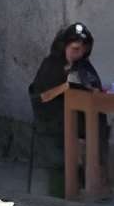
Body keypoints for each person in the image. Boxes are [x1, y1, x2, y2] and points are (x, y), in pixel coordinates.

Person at [28, 22, 101, 193]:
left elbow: (93, 84)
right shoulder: (51, 65)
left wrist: (92, 87)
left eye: (83, 50)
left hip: (77, 117)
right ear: (64, 46)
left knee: (96, 129)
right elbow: (42, 97)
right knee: (62, 152)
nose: (79, 53)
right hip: (52, 119)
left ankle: (91, 184)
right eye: (75, 49)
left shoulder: (83, 65)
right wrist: (65, 86)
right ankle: (63, 189)